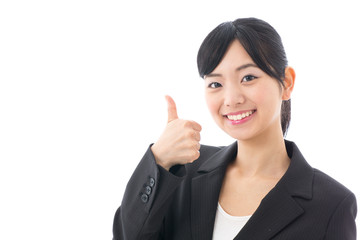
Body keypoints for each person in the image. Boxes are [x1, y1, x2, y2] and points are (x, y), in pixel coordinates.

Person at [112, 17, 357, 240]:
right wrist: (158, 160)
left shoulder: (331, 205)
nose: (231, 99)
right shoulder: (182, 171)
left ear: (286, 83)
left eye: (248, 78)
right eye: (216, 83)